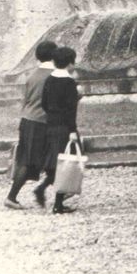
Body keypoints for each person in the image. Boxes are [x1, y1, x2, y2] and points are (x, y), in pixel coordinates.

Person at [4, 39, 58, 209]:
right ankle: (12, 197)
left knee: (32, 159)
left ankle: (46, 190)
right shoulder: (55, 75)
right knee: (33, 162)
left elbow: (25, 100)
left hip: (28, 120)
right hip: (43, 122)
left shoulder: (32, 75)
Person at [37, 46, 81, 214]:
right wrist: (72, 129)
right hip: (64, 126)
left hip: (51, 124)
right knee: (66, 163)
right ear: (70, 63)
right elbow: (71, 110)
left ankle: (53, 196)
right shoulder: (69, 82)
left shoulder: (49, 79)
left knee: (56, 162)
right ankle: (58, 203)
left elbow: (45, 104)